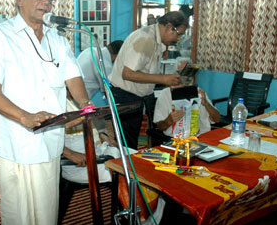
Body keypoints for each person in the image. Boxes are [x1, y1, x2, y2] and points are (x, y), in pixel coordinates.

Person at [0, 0, 91, 225]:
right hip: (17, 141)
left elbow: (73, 77)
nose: (46, 2)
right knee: (20, 215)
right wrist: (25, 117)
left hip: (50, 140)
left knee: (47, 212)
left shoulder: (57, 39)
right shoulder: (0, 37)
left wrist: (85, 105)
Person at [108, 11, 189, 149]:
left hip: (137, 94)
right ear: (169, 26)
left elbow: (146, 71)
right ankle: (123, 170)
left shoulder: (155, 39)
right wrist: (163, 79)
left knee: (140, 136)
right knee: (127, 143)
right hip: (124, 94)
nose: (179, 38)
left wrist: (168, 79)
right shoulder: (145, 39)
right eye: (179, 34)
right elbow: (127, 74)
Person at [62, 95, 120, 184]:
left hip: (99, 153)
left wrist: (104, 137)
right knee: (128, 171)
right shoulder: (54, 103)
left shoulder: (81, 99)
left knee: (140, 160)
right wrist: (70, 154)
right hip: (79, 164)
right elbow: (49, 142)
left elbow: (95, 128)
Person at [153, 86, 220, 137]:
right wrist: (169, 120)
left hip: (199, 137)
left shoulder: (198, 91)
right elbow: (160, 127)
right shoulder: (165, 94)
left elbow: (217, 119)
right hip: (175, 140)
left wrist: (206, 104)